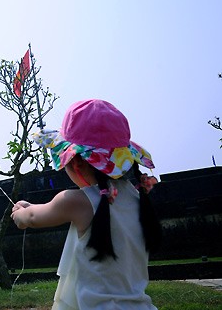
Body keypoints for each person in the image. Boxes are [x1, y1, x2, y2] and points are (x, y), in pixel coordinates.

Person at [11, 99, 162, 310]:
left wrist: (20, 213)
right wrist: (31, 207)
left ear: (75, 161)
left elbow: (33, 218)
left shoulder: (75, 201)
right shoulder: (138, 199)